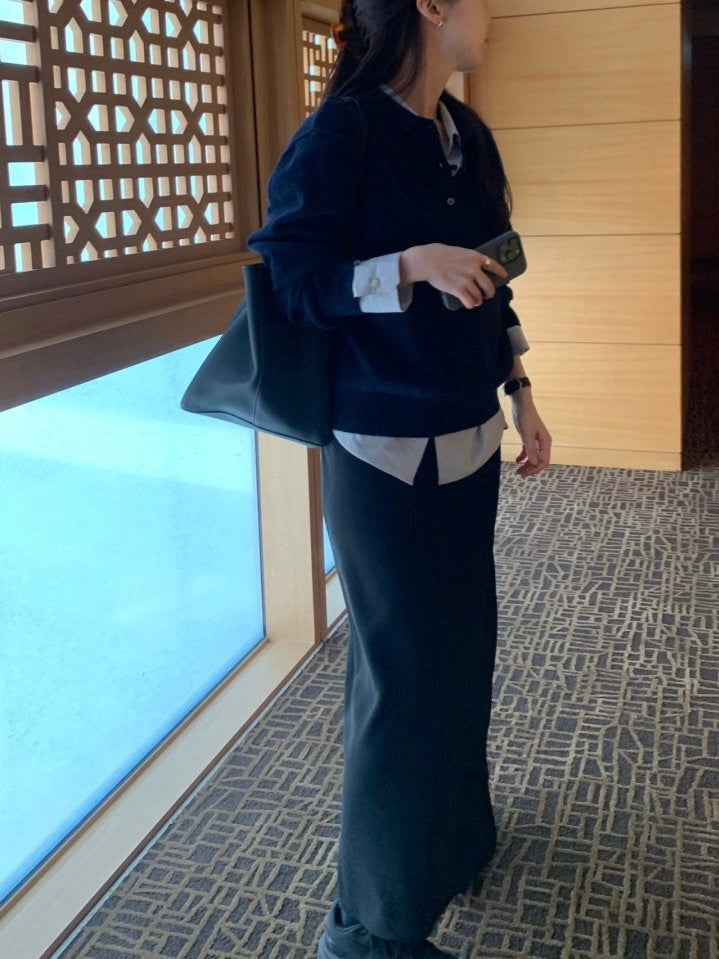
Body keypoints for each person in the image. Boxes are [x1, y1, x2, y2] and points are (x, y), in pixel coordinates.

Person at [246, 1, 552, 955]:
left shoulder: (468, 138)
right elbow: (293, 281)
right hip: (380, 457)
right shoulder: (341, 132)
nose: (492, 13)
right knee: (398, 684)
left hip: (469, 444)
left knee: (461, 659)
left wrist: (521, 394)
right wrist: (407, 265)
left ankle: (452, 844)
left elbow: (496, 278)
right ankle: (366, 928)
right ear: (429, 5)